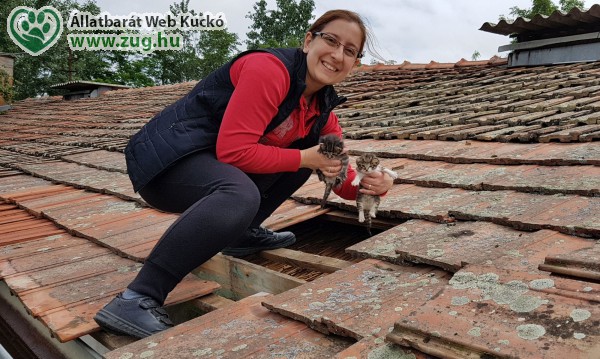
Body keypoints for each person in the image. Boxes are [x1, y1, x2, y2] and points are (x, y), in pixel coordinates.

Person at [94, 9, 395, 339]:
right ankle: (138, 297)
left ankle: (240, 233)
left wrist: (372, 184)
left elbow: (339, 178)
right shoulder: (270, 70)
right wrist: (304, 157)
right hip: (165, 163)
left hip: (209, 165)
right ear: (309, 41)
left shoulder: (321, 112)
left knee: (300, 163)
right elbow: (233, 151)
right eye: (331, 40)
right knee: (246, 189)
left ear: (354, 64)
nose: (338, 55)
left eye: (349, 51)